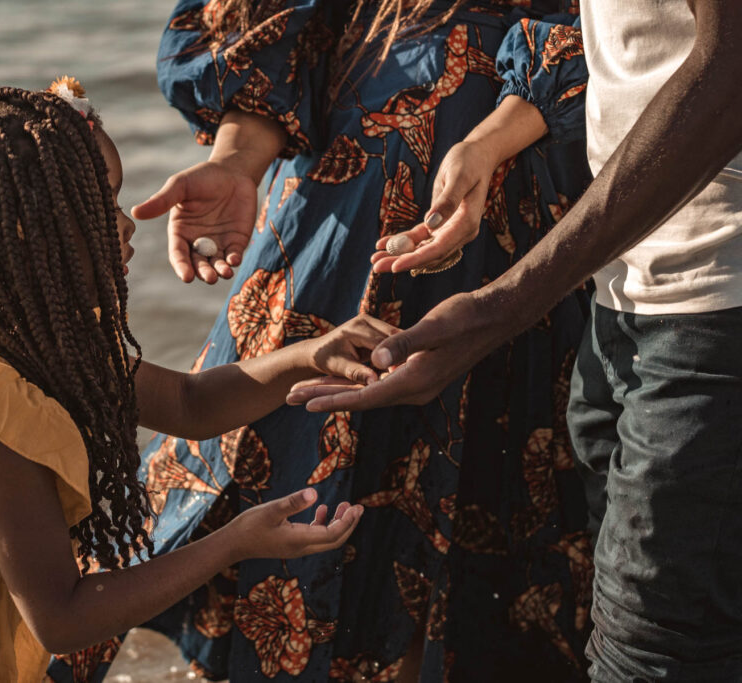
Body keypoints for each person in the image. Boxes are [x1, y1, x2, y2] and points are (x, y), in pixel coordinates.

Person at [0, 81, 389, 682]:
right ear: (29, 239)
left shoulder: (28, 335)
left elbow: (190, 402)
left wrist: (309, 356)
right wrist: (233, 544)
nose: (126, 224)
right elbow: (61, 618)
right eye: (98, 206)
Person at [49, 3, 594, 682]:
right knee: (266, 459)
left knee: (472, 520)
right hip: (337, 216)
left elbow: (629, 37)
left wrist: (488, 143)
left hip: (513, 225)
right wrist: (238, 162)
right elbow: (290, 27)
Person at [290, 1, 742, 680]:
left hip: (713, 303)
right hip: (624, 293)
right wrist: (486, 144)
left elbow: (730, 70)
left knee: (648, 649)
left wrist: (504, 305)